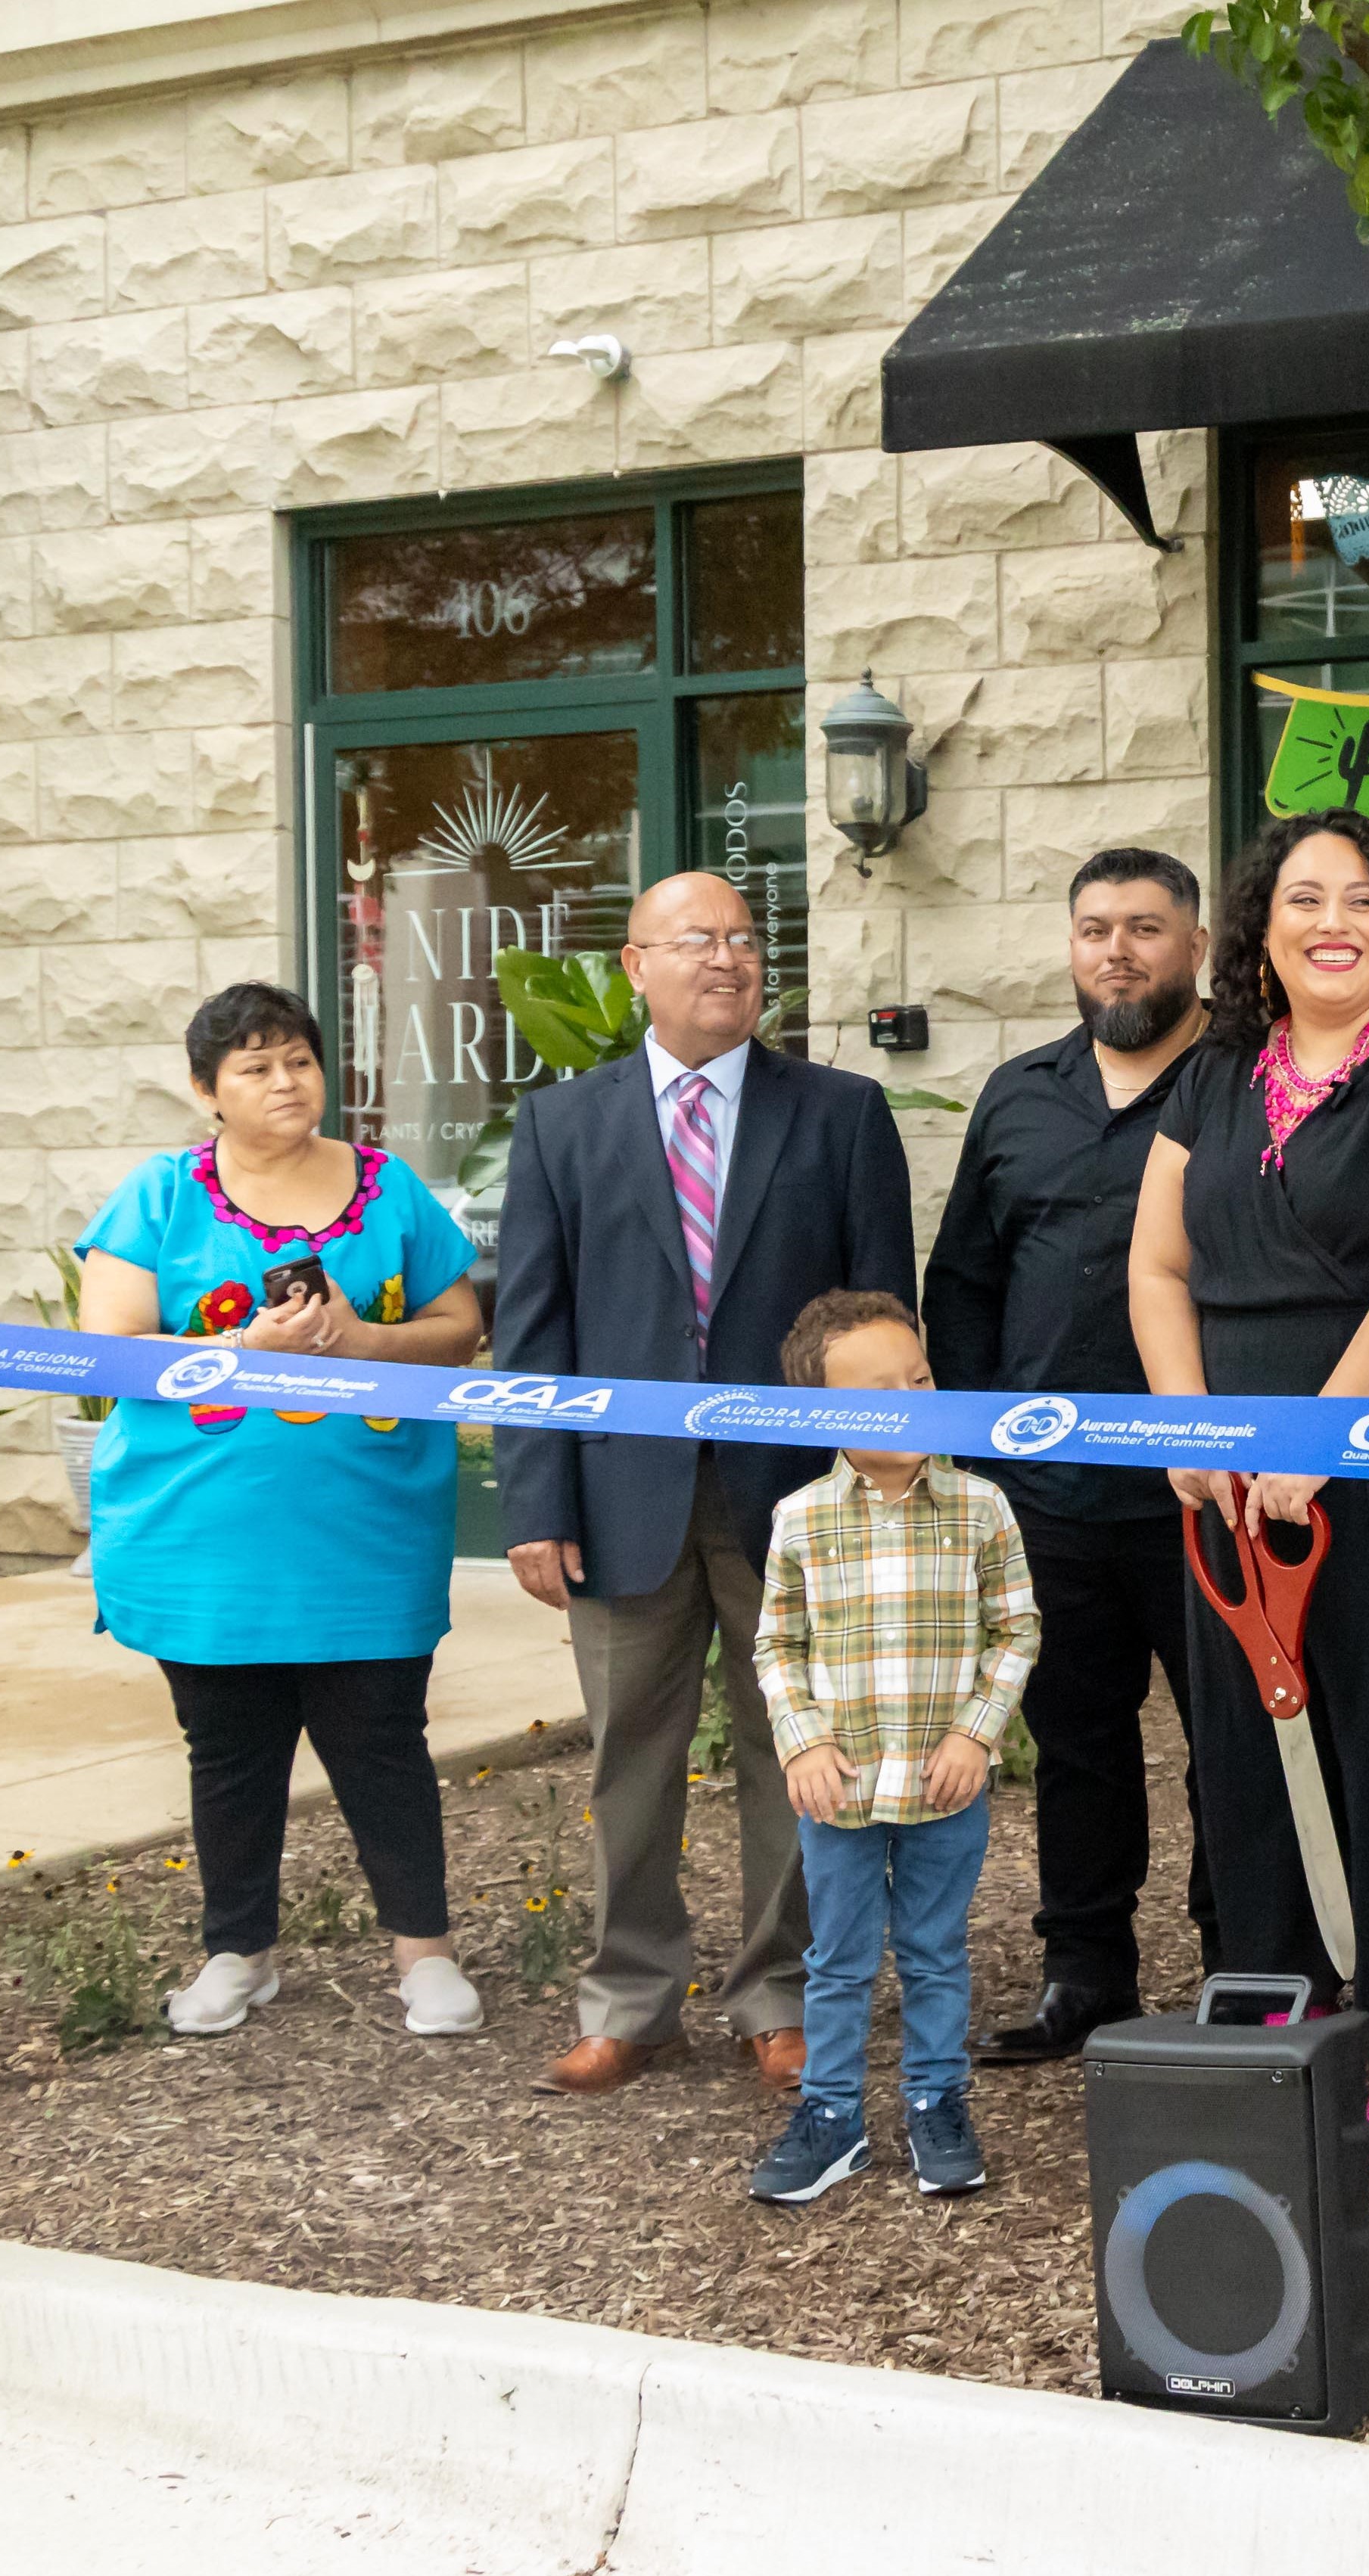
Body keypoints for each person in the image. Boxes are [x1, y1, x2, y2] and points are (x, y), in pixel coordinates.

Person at [1128, 809, 1369, 2176]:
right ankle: (1279, 2002)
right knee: (1247, 1745)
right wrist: (1185, 1429)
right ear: (1263, 932)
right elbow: (1159, 1270)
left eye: (1363, 898)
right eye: (1303, 898)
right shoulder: (1215, 1073)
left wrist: (1328, 1436)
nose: (1333, 920)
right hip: (1231, 1478)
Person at [496, 871, 913, 2102]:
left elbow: (880, 1317)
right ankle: (631, 1999)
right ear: (635, 965)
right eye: (696, 941)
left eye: (742, 939)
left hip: (792, 1501)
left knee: (802, 1754)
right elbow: (535, 1334)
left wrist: (875, 1484)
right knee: (631, 1756)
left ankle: (779, 1996)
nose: (726, 959)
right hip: (619, 1504)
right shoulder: (561, 1127)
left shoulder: (839, 1116)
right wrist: (535, 1502)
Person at [74, 981, 493, 2042]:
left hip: (368, 1527)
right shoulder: (160, 1195)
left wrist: (362, 1341)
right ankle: (238, 1951)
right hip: (202, 1534)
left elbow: (461, 1328)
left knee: (383, 1736)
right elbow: (109, 1355)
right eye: (254, 1065)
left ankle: (424, 1957)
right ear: (205, 1089)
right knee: (228, 1746)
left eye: (298, 1058)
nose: (283, 1081)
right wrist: (238, 1353)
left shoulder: (388, 1187)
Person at [923, 845, 1221, 2064]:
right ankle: (1085, 1972)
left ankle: (1242, 1965)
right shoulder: (1019, 1093)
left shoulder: (1246, 1085)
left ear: (1195, 944)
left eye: (1145, 927)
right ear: (1070, 946)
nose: (1118, 949)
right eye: (1095, 927)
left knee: (1231, 1742)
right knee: (1078, 1748)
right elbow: (965, 1281)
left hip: (1208, 1487)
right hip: (1046, 1497)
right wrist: (988, 1453)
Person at [743, 1290, 1041, 2205]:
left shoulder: (982, 1506)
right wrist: (800, 1745)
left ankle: (935, 2101)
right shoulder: (801, 1518)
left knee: (934, 1949)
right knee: (835, 1957)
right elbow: (776, 1644)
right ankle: (830, 2116)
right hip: (839, 1788)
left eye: (920, 1379)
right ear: (826, 1411)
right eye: (882, 1390)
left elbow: (1016, 1630)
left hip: (944, 1785)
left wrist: (972, 1735)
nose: (912, 1400)